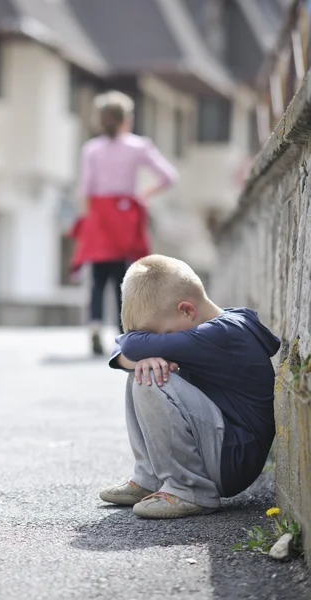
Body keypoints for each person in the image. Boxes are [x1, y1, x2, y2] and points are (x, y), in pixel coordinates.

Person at [100, 254, 280, 519]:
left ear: (186, 310)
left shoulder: (220, 334)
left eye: (159, 337)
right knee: (142, 369)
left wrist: (142, 353)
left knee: (150, 376)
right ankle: (150, 479)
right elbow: (125, 346)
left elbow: (129, 345)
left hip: (232, 458)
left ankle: (189, 489)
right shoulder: (217, 324)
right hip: (221, 445)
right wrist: (144, 355)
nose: (156, 343)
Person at [70, 91, 177, 356]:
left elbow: (85, 188)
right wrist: (143, 195)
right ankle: (124, 334)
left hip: (98, 215)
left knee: (97, 279)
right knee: (123, 278)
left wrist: (87, 222)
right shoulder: (138, 146)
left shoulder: (91, 149)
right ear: (125, 118)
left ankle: (94, 326)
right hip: (124, 213)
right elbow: (168, 176)